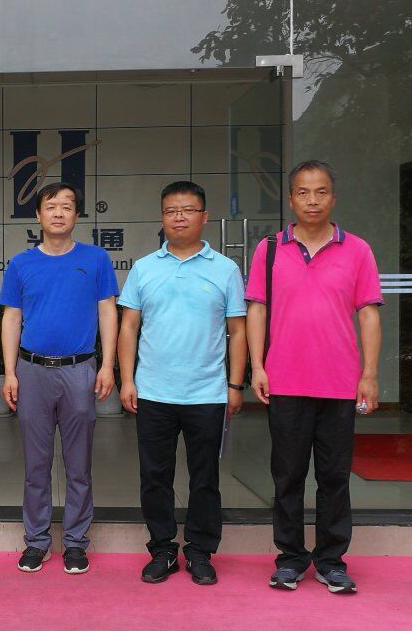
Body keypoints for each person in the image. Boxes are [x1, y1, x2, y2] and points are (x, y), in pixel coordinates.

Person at [246, 160, 383, 595]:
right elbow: (257, 309)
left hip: (340, 384)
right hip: (285, 382)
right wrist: (258, 366)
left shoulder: (357, 250)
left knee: (334, 478)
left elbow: (369, 314)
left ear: (333, 198)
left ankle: (331, 561)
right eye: (303, 192)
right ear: (291, 199)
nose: (312, 200)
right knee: (287, 477)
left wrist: (370, 374)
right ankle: (290, 559)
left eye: (321, 192)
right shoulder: (270, 249)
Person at [117, 181, 247, 586]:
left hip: (207, 393)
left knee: (205, 477)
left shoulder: (225, 269)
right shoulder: (144, 268)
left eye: (188, 210)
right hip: (154, 392)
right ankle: (162, 550)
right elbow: (128, 327)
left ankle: (200, 551)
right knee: (155, 477)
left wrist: (235, 385)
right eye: (171, 210)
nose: (179, 217)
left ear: (204, 217)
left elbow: (238, 331)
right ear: (162, 217)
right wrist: (127, 380)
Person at [0, 182, 119, 575]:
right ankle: (36, 542)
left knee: (79, 464)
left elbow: (107, 312)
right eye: (51, 206)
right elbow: (12, 318)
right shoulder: (21, 264)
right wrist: (10, 372)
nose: (58, 213)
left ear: (77, 215)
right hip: (32, 371)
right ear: (38, 215)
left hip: (79, 370)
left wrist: (107, 365)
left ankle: (75, 543)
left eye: (67, 206)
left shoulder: (96, 259)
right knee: (36, 465)